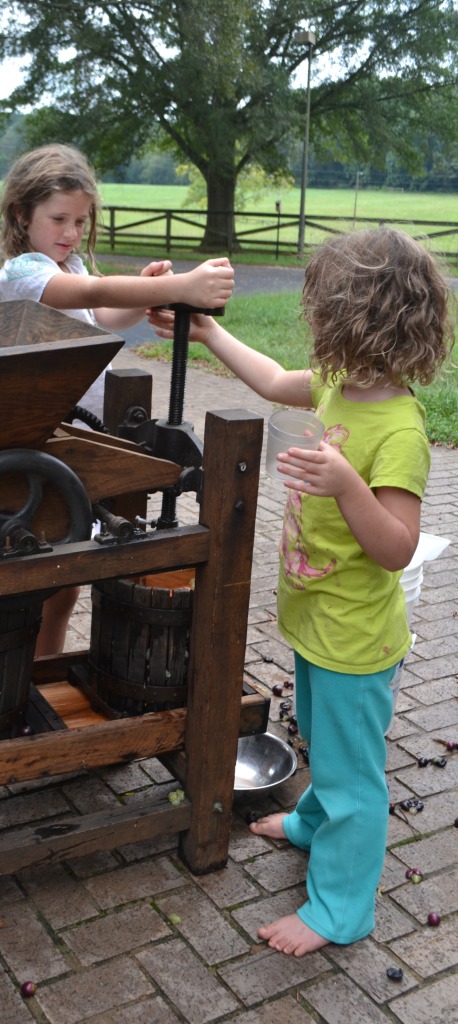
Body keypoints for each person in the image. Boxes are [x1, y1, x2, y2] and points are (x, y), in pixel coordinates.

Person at [149, 227, 453, 956]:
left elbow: (397, 548)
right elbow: (269, 378)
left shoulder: (400, 428)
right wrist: (211, 331)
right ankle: (316, 823)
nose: (311, 321)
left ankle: (341, 909)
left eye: (321, 308)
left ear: (360, 317)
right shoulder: (335, 386)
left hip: (355, 636)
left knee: (354, 774)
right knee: (319, 739)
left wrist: (347, 485)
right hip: (317, 623)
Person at [0, 142, 234, 654]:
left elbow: (102, 316)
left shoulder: (71, 265)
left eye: (80, 221)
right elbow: (86, 296)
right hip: (49, 447)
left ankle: (47, 666)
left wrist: (144, 295)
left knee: (66, 587)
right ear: (21, 213)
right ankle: (27, 672)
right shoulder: (21, 274)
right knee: (46, 579)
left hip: (87, 444)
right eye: (59, 218)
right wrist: (179, 285)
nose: (71, 233)